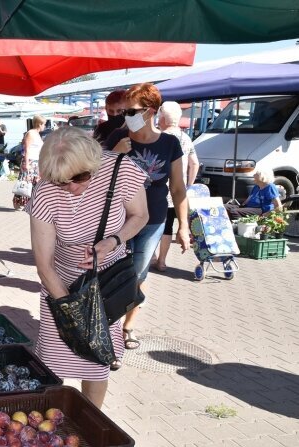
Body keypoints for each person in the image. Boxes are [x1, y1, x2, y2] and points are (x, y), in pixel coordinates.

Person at [29, 127, 149, 408]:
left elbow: (140, 215)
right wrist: (72, 312)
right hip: (61, 285)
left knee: (96, 362)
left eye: (80, 177)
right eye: (62, 181)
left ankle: (91, 419)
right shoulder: (45, 192)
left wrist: (113, 240)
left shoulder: (121, 170)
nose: (72, 187)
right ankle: (49, 420)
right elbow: (44, 266)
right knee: (53, 362)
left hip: (104, 285)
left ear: (93, 163)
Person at [106, 83, 190, 365]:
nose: (126, 115)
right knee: (114, 274)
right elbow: (95, 176)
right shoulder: (117, 137)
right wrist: (115, 153)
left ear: (151, 112)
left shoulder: (169, 143)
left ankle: (126, 327)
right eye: (125, 110)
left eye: (132, 111)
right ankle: (109, 333)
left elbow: (178, 188)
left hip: (153, 219)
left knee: (137, 275)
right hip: (118, 219)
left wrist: (183, 226)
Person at [153, 101, 200, 271]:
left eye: (159, 117)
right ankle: (162, 261)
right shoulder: (186, 138)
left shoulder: (159, 137)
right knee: (168, 226)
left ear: (163, 118)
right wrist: (189, 185)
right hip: (178, 193)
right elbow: (195, 164)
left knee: (153, 223)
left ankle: (151, 256)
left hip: (160, 190)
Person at [13, 114, 46, 210]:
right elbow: (26, 149)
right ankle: (18, 203)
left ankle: (31, 203)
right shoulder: (30, 133)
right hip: (30, 161)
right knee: (25, 183)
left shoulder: (37, 134)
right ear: (39, 124)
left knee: (35, 183)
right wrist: (26, 163)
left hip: (36, 162)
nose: (44, 126)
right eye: (44, 124)